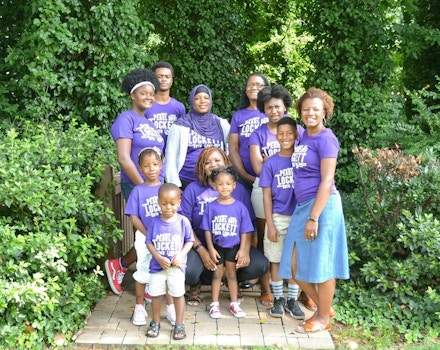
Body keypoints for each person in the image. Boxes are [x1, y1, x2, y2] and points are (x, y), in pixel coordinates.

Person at [279, 87, 349, 333]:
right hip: (303, 206)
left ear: (325, 112)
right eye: (306, 109)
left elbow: (327, 180)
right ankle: (323, 307)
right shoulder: (304, 136)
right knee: (293, 267)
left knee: (323, 264)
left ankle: (321, 318)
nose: (310, 113)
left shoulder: (326, 138)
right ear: (300, 111)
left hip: (322, 207)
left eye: (316, 109)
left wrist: (314, 217)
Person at [180, 146, 269, 307]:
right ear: (201, 166)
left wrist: (245, 249)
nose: (213, 164)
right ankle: (196, 284)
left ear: (225, 162)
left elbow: (247, 224)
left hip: (231, 245)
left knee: (259, 265)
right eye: (207, 162)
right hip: (199, 244)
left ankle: (230, 279)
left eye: (217, 160)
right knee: (189, 271)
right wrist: (201, 249)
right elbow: (185, 224)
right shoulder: (193, 189)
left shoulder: (238, 189)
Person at [105, 68, 165, 296]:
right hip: (138, 184)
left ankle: (120, 264)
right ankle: (145, 280)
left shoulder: (148, 122)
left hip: (155, 185)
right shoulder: (125, 119)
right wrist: (143, 186)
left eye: (152, 93)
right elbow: (123, 157)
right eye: (144, 93)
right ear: (132, 95)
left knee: (156, 231)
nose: (149, 96)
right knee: (149, 232)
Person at [249, 84, 303, 308]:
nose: (273, 111)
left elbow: (304, 163)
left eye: (278, 107)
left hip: (294, 195)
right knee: (268, 241)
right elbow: (259, 167)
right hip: (266, 190)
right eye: (269, 107)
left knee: (296, 250)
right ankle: (267, 288)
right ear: (264, 109)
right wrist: (272, 164)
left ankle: (299, 293)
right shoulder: (258, 133)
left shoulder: (297, 130)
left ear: (285, 107)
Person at [124, 148, 175, 326]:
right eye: (146, 165)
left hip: (166, 238)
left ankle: (170, 307)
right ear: (140, 168)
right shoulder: (138, 191)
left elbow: (176, 213)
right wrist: (148, 233)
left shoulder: (167, 188)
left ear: (161, 165)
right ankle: (139, 307)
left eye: (155, 164)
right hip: (144, 237)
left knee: (166, 271)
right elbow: (133, 216)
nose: (151, 168)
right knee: (143, 270)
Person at [259, 117, 304, 320]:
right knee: (275, 259)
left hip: (299, 215)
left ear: (296, 135)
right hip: (277, 216)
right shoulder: (271, 163)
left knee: (296, 261)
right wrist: (269, 223)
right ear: (276, 136)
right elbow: (266, 195)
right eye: (281, 133)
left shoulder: (302, 159)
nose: (285, 137)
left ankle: (292, 299)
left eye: (289, 133)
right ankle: (278, 298)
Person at [201, 165, 254, 319]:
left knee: (231, 275)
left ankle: (234, 303)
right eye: (221, 184)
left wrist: (243, 249)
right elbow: (207, 230)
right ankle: (215, 304)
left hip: (233, 247)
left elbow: (245, 230)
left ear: (234, 185)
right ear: (214, 185)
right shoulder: (211, 207)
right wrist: (210, 249)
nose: (224, 187)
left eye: (228, 184)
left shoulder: (240, 207)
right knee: (217, 275)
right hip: (217, 247)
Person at [145, 183, 194, 340]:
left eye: (172, 204)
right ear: (158, 202)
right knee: (157, 294)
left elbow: (189, 241)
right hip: (157, 267)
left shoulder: (183, 221)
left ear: (179, 202)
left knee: (178, 294)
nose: (168, 208)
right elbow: (149, 242)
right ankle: (155, 322)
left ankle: (179, 324)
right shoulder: (154, 222)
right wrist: (158, 257)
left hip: (176, 268)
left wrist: (180, 255)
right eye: (164, 203)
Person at [165, 84, 230, 190]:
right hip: (186, 181)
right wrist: (174, 185)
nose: (202, 101)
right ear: (191, 101)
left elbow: (232, 150)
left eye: (206, 98)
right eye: (197, 98)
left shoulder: (221, 124)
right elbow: (170, 156)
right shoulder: (180, 125)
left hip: (217, 182)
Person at [229, 73, 270, 194]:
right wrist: (244, 175)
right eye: (250, 85)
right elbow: (233, 149)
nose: (254, 87)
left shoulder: (274, 111)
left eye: (258, 85)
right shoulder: (238, 116)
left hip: (272, 177)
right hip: (243, 179)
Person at [146, 62, 186, 147]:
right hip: (150, 155)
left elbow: (182, 136)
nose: (164, 79)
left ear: (172, 80)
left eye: (167, 77)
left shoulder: (179, 107)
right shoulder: (145, 105)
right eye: (159, 77)